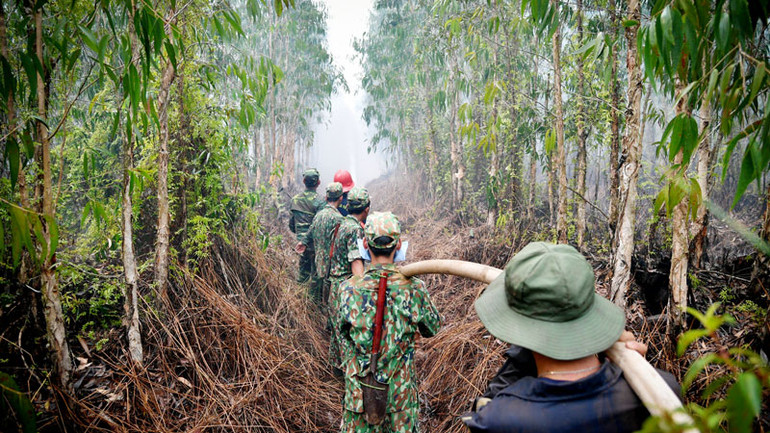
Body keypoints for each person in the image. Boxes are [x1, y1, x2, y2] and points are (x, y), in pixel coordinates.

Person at [462, 242, 680, 433]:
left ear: (518, 326)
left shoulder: (497, 420)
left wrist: (523, 350)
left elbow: (487, 406)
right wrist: (617, 367)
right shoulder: (664, 393)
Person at [337, 212, 441, 433]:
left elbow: (343, 332)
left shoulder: (347, 289)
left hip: (360, 396)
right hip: (399, 399)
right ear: (399, 245)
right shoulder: (415, 288)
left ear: (366, 245)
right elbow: (433, 327)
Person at [327, 186, 370, 373]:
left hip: (335, 286)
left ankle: (336, 371)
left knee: (337, 332)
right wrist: (363, 293)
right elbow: (356, 263)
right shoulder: (354, 229)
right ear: (366, 209)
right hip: (345, 287)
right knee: (347, 336)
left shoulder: (342, 223)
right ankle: (350, 378)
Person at [296, 182, 344, 306]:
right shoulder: (339, 219)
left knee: (315, 287)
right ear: (341, 198)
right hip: (332, 265)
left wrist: (303, 242)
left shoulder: (318, 215)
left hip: (318, 260)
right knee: (327, 295)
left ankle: (312, 310)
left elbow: (310, 231)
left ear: (326, 198)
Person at [289, 168, 325, 284]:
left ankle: (299, 293)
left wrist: (301, 236)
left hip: (301, 243)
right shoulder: (321, 201)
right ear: (318, 183)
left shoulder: (295, 200)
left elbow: (292, 225)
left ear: (304, 181)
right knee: (316, 276)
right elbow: (319, 225)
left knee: (303, 275)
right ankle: (313, 295)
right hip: (316, 244)